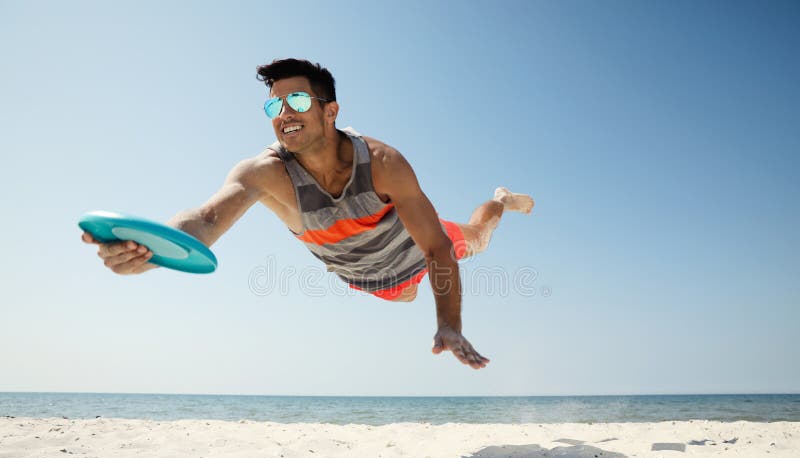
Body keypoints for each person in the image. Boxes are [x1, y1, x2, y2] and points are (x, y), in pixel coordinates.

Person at [81, 59, 534, 370]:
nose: (284, 114)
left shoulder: (383, 163)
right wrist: (151, 248)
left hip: (418, 249)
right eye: (274, 106)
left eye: (297, 101)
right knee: (405, 296)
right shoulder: (265, 174)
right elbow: (206, 218)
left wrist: (449, 324)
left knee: (478, 236)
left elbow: (436, 248)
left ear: (329, 111)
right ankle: (413, 283)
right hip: (374, 282)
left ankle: (502, 199)